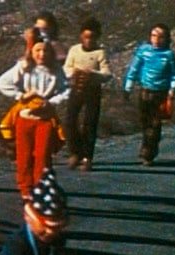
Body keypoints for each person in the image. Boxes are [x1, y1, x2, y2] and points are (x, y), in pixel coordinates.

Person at [0, 28, 69, 200]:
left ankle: (40, 186)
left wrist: (51, 102)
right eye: (37, 50)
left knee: (42, 155)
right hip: (25, 117)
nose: (41, 54)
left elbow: (66, 89)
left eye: (45, 50)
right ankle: (25, 189)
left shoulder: (56, 70)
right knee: (24, 155)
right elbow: (1, 83)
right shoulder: (24, 67)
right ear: (32, 51)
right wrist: (20, 95)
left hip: (44, 118)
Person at [123, 23, 175, 166]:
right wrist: (128, 86)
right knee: (145, 123)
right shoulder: (143, 51)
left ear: (166, 39)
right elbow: (134, 69)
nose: (156, 39)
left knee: (155, 125)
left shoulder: (169, 55)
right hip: (145, 92)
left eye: (160, 37)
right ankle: (147, 148)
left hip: (161, 93)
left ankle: (148, 153)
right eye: (154, 35)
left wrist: (172, 90)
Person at [63, 17, 112, 171]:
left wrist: (93, 74)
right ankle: (74, 152)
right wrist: (74, 73)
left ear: (97, 37)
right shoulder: (74, 50)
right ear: (81, 36)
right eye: (86, 37)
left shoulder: (100, 53)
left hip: (92, 91)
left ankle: (87, 157)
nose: (89, 40)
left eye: (92, 37)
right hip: (76, 89)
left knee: (90, 123)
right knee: (69, 121)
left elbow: (107, 74)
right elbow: (65, 68)